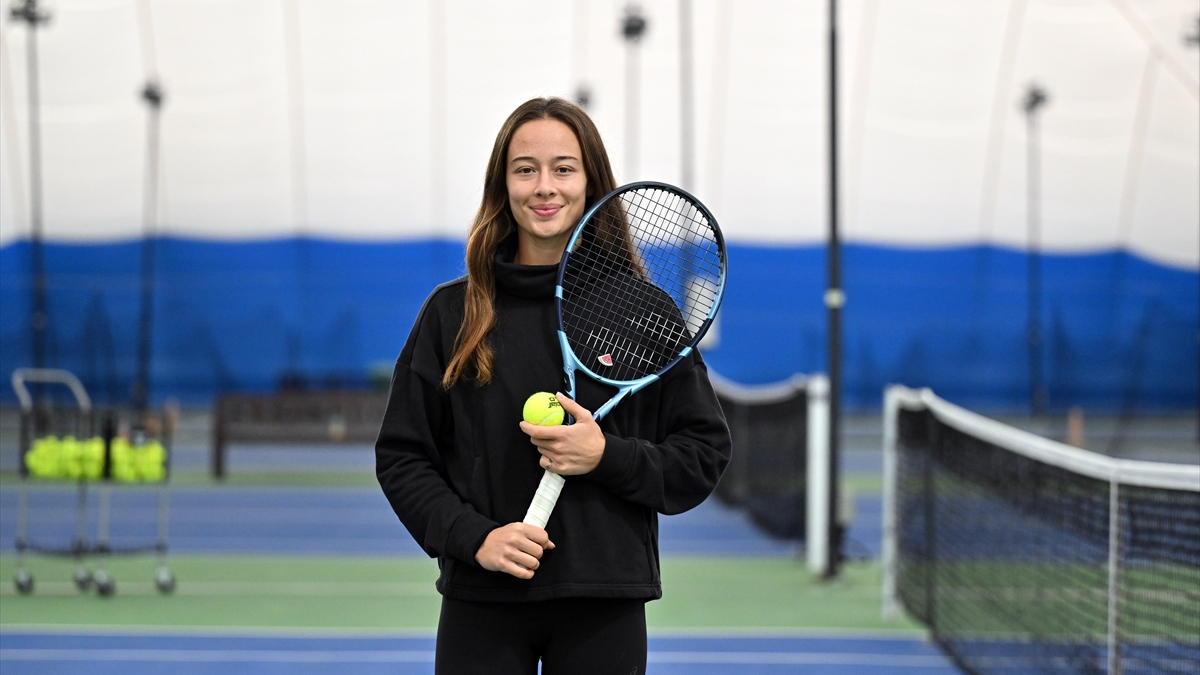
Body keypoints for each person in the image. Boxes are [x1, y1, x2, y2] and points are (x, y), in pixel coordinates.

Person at [375, 96, 731, 675]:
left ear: (591, 183)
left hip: (603, 604)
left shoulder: (644, 311)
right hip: (481, 600)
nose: (545, 187)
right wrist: (474, 538)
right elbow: (403, 457)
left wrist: (606, 456)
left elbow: (702, 456)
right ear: (503, 184)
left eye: (563, 168)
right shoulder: (452, 313)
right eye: (526, 169)